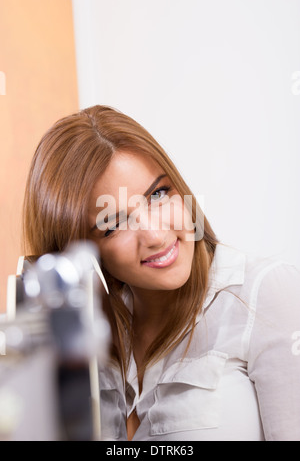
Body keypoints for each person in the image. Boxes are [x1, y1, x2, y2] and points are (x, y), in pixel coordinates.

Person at [22, 105, 300, 441]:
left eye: (158, 194)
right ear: (82, 249)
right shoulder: (91, 334)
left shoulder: (267, 292)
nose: (155, 235)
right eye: (115, 223)